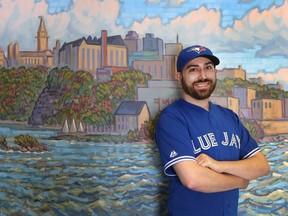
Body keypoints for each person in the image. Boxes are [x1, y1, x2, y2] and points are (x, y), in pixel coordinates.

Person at [155, 45, 270, 216]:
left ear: (215, 72)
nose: (202, 76)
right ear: (179, 76)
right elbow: (193, 180)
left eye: (208, 67)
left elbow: (262, 165)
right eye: (193, 69)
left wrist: (219, 166)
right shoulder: (172, 118)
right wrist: (239, 181)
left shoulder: (229, 117)